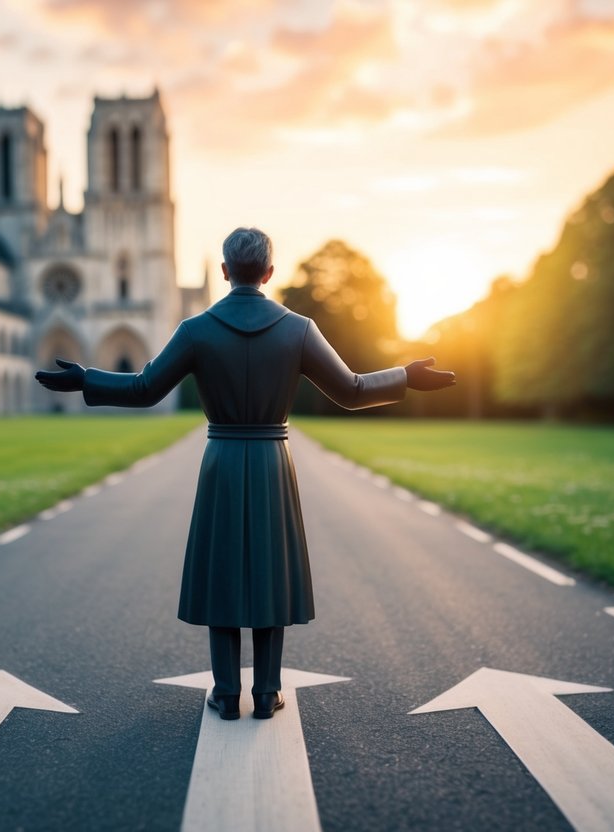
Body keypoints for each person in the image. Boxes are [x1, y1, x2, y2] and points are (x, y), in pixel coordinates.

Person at [36, 227, 455, 720]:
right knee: (269, 572)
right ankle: (266, 692)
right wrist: (406, 375)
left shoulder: (196, 330)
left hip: (222, 460)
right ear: (270, 273)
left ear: (224, 271)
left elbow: (147, 388)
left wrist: (87, 378)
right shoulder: (299, 328)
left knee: (222, 573)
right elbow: (352, 390)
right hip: (273, 460)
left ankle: (225, 691)